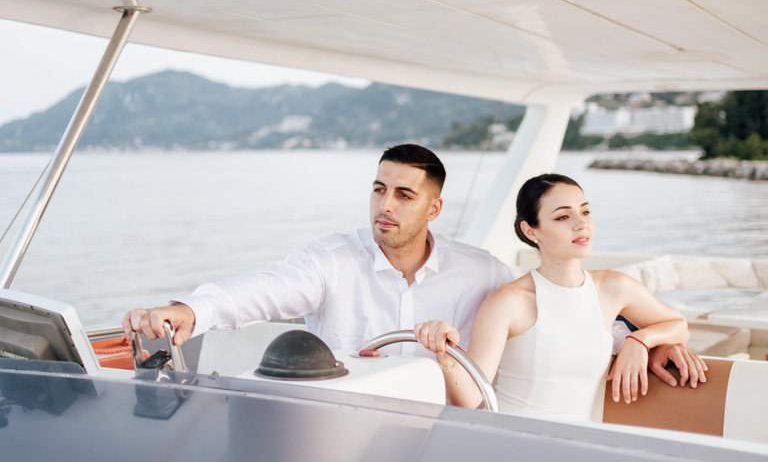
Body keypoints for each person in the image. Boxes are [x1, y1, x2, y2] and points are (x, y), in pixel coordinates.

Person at [123, 146, 706, 383]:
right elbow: (257, 292)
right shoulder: (330, 261)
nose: (385, 205)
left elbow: (553, 313)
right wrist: (185, 311)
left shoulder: (480, 272)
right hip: (345, 429)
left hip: (444, 431)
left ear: (434, 206)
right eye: (379, 189)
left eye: (404, 195)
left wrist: (640, 340)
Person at [415, 173, 699, 421]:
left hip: (584, 440)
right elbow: (471, 397)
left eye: (585, 212)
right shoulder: (508, 302)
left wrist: (640, 341)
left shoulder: (614, 287)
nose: (581, 224)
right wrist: (445, 355)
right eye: (563, 216)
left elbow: (678, 325)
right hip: (515, 443)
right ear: (531, 230)